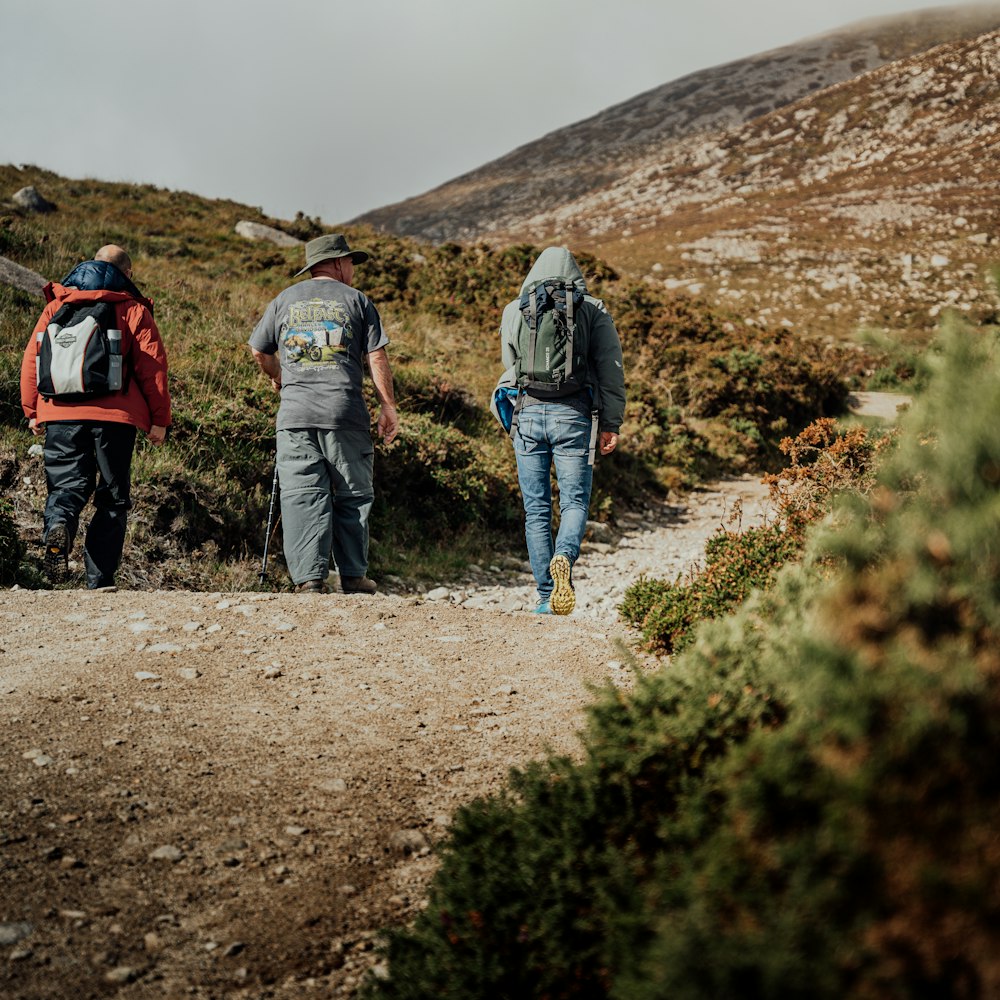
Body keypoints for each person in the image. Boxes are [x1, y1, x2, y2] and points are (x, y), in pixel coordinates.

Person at [249, 233, 399, 595]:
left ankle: (309, 580)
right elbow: (376, 356)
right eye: (350, 262)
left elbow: (258, 350)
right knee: (353, 494)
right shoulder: (358, 301)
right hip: (344, 413)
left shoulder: (284, 300)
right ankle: (353, 576)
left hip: (295, 415)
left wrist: (280, 376)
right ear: (336, 264)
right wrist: (387, 406)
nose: (352, 269)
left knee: (302, 493)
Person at [20, 244, 171, 589]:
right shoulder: (132, 309)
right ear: (127, 274)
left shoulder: (58, 304)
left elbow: (33, 358)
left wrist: (32, 410)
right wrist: (159, 420)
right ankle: (99, 579)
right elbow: (152, 369)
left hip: (59, 413)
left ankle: (59, 524)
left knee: (66, 485)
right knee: (113, 497)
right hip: (115, 418)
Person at [495, 246, 626, 615]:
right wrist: (611, 422)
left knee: (536, 509)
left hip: (529, 415)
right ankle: (564, 556)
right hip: (575, 416)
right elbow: (611, 369)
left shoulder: (515, 307)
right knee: (573, 502)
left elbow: (510, 363)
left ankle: (545, 596)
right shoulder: (592, 307)